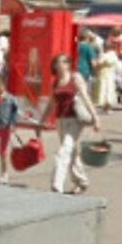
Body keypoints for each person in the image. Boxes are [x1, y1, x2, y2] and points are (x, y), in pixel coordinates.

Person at [34, 53, 100, 194]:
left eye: (64, 62)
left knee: (64, 151)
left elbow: (86, 97)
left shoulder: (75, 78)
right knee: (72, 152)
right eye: (58, 62)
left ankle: (56, 185)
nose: (61, 65)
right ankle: (81, 181)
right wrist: (41, 122)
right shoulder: (55, 82)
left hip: (75, 120)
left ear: (68, 64)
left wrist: (95, 117)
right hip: (61, 121)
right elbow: (51, 104)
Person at [93, 41, 120, 112]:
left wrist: (95, 65)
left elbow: (99, 64)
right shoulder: (114, 55)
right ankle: (107, 107)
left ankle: (105, 107)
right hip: (111, 74)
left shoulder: (104, 55)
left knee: (103, 90)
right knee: (109, 90)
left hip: (103, 74)